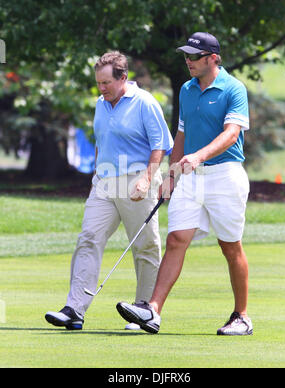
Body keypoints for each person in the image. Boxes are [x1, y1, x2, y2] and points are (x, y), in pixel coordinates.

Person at [116, 32, 253, 336]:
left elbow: (232, 134)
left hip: (225, 174)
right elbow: (181, 134)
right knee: (177, 239)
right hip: (190, 175)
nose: (188, 61)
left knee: (230, 246)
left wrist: (198, 156)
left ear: (213, 58)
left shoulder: (234, 88)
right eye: (186, 56)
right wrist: (171, 174)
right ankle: (152, 311)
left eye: (194, 56)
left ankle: (242, 316)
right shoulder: (186, 90)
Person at [45, 51, 173, 330]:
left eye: (106, 83)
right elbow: (102, 141)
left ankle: (144, 311)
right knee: (89, 237)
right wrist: (96, 173)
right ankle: (74, 309)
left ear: (123, 78)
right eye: (98, 83)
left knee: (145, 246)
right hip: (104, 182)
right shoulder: (100, 104)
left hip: (137, 179)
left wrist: (147, 179)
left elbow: (160, 144)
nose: (101, 89)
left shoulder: (145, 103)